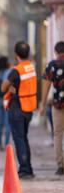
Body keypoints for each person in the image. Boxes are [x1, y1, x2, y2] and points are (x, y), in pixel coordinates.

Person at [2, 41, 37, 179]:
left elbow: (3, 87)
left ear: (16, 55)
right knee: (24, 138)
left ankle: (24, 169)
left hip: (17, 108)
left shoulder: (16, 70)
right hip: (29, 108)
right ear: (28, 53)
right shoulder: (31, 68)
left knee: (19, 139)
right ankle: (28, 167)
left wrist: (10, 88)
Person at [40, 41, 64, 175]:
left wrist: (43, 105)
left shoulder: (52, 65)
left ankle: (61, 165)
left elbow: (47, 86)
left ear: (56, 52)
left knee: (58, 134)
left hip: (58, 104)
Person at [0, 56, 12, 151]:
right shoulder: (8, 72)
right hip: (6, 98)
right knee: (7, 123)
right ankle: (7, 144)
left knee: (0, 123)